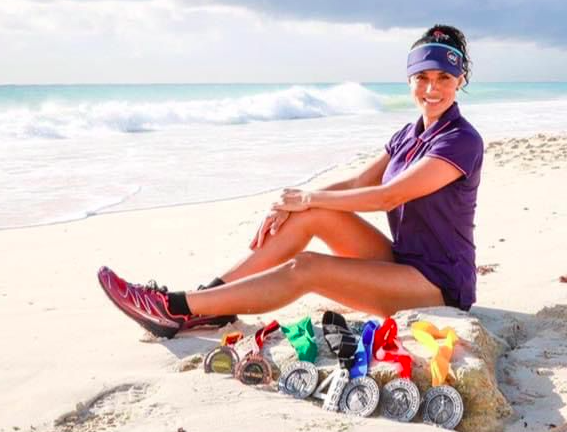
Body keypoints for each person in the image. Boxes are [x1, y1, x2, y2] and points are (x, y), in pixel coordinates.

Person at [98, 24, 484, 339]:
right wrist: (294, 205)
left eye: (443, 78)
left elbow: (388, 196)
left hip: (438, 285)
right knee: (310, 215)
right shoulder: (409, 133)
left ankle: (176, 308)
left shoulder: (461, 140)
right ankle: (209, 302)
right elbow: (356, 184)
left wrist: (308, 195)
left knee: (307, 268)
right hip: (401, 262)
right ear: (409, 80)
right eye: (422, 78)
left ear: (460, 79)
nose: (432, 89)